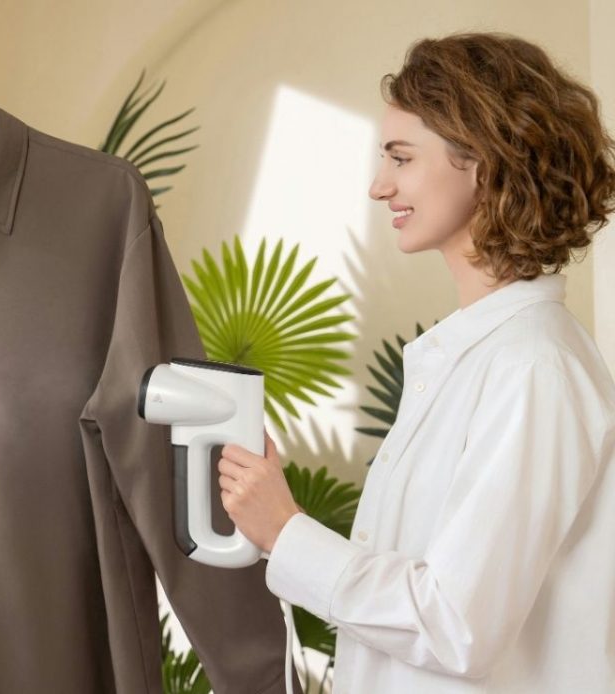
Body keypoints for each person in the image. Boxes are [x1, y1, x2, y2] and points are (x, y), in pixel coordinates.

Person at [216, 33, 615, 692]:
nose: (379, 186)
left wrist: (287, 531)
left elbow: (457, 624)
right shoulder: (481, 357)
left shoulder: (534, 369)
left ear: (484, 162)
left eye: (401, 157)